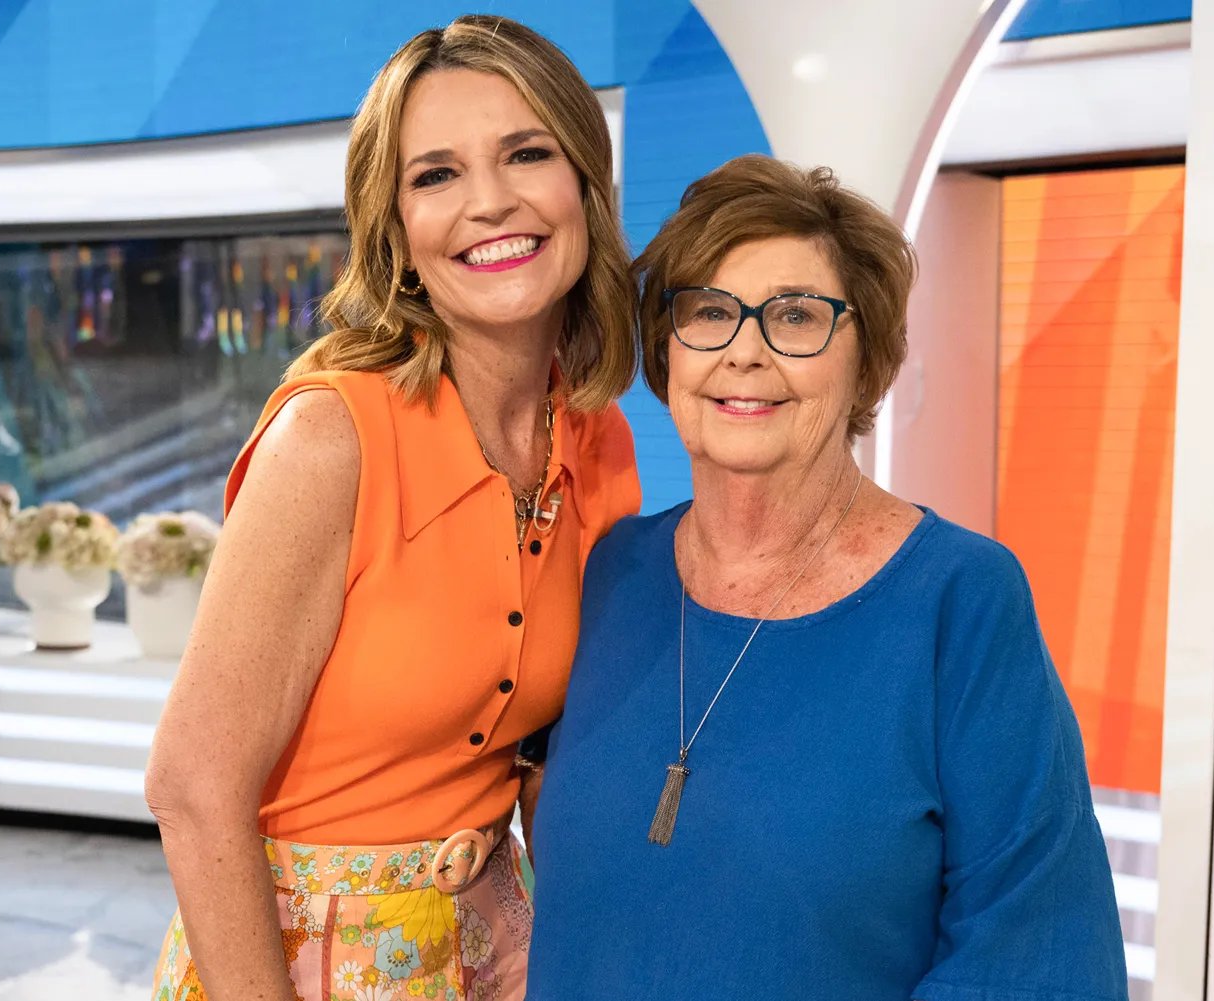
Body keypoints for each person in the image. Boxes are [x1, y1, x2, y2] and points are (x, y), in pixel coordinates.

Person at [525, 154, 1128, 1001]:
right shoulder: (611, 572)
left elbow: (1040, 954)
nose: (744, 352)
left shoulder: (960, 601)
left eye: (797, 317)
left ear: (865, 357)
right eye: (708, 311)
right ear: (667, 350)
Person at [145, 16, 639, 1001]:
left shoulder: (598, 437)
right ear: (397, 232)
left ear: (584, 183)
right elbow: (194, 789)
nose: (489, 201)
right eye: (436, 175)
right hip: (290, 967)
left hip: (489, 943)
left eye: (527, 153)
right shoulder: (330, 440)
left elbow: (548, 749)